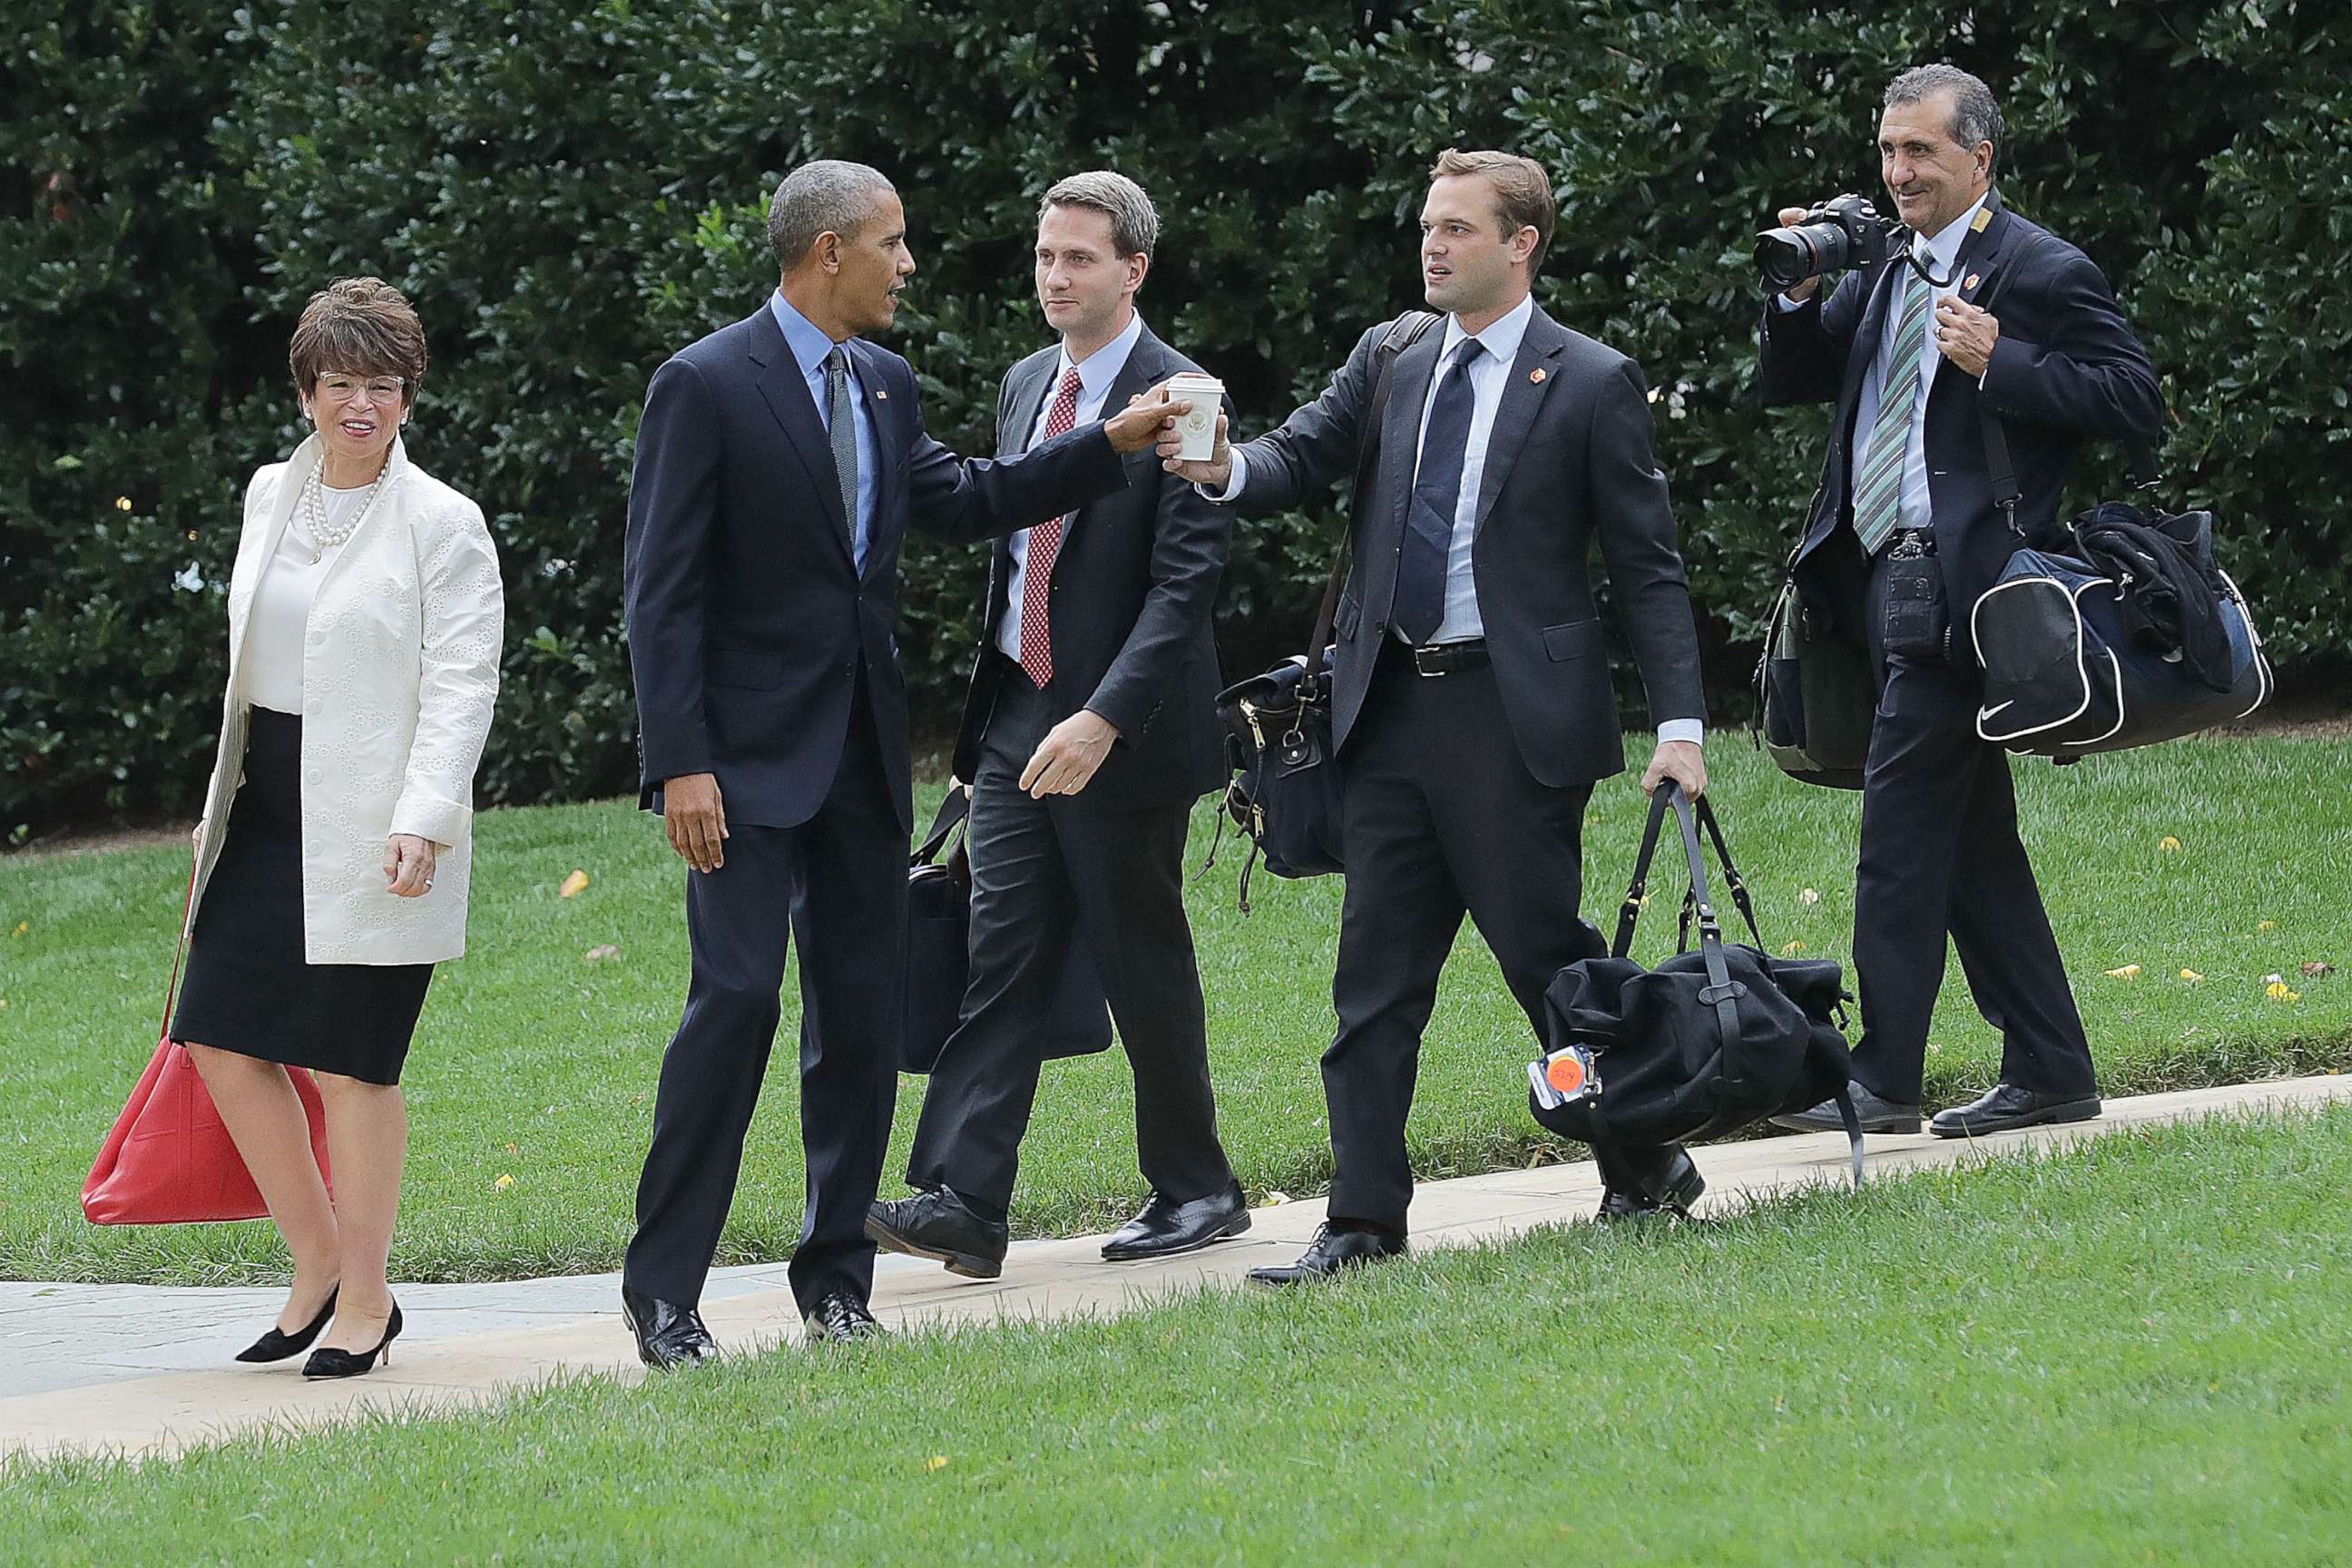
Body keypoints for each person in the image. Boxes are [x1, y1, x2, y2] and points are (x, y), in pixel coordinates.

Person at [620, 160, 1187, 1365]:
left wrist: (1112, 443)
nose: (909, 262)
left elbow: (973, 496)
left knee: (858, 1025)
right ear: (829, 251)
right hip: (737, 771)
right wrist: (681, 763)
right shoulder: (705, 384)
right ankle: (664, 1296)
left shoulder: (882, 382)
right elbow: (659, 597)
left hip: (861, 766)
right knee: (732, 1007)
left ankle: (836, 1284)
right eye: (893, 242)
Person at [1161, 150, 1711, 1285]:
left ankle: (1643, 1158)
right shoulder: (1396, 353)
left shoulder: (1590, 379)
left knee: (1546, 968)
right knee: (1373, 985)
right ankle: (1361, 1223)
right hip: (1390, 712)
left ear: (1522, 244)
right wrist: (1213, 461)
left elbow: (1650, 571)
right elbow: (1298, 456)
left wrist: (1683, 726)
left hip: (1512, 725)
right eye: (1428, 226)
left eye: (1458, 228)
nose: (1433, 245)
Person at [1759, 65, 2161, 1140]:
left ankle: (1882, 1077)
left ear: (1979, 159)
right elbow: (1800, 377)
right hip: (1881, 586)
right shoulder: (1890, 261)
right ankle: (2051, 1067)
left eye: (1920, 153)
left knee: (1899, 835)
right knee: (1974, 842)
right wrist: (1795, 297)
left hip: (1967, 592)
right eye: (1889, 152)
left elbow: (2134, 401)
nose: (1899, 173)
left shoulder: (2039, 268)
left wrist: (2005, 361)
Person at [867, 172, 1243, 1281]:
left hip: (1122, 730)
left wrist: (1102, 721)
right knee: (1002, 952)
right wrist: (1009, 717)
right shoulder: (1029, 380)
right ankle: (966, 1200)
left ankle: (1197, 1187)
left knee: (1141, 957)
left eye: (1079, 258)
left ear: (1134, 269)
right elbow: (1011, 538)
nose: (1055, 277)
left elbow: (1185, 589)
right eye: (1045, 257)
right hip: (1017, 716)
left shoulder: (1185, 394)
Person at [174, 277, 504, 1379]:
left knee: (356, 1065)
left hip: (378, 817)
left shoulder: (443, 523)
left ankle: (367, 1299)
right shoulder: (272, 491)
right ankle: (317, 1264)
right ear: (307, 392)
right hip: (266, 802)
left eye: (384, 386)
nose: (362, 405)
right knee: (217, 1033)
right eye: (341, 385)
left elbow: (463, 682)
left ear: (408, 395)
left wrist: (425, 816)